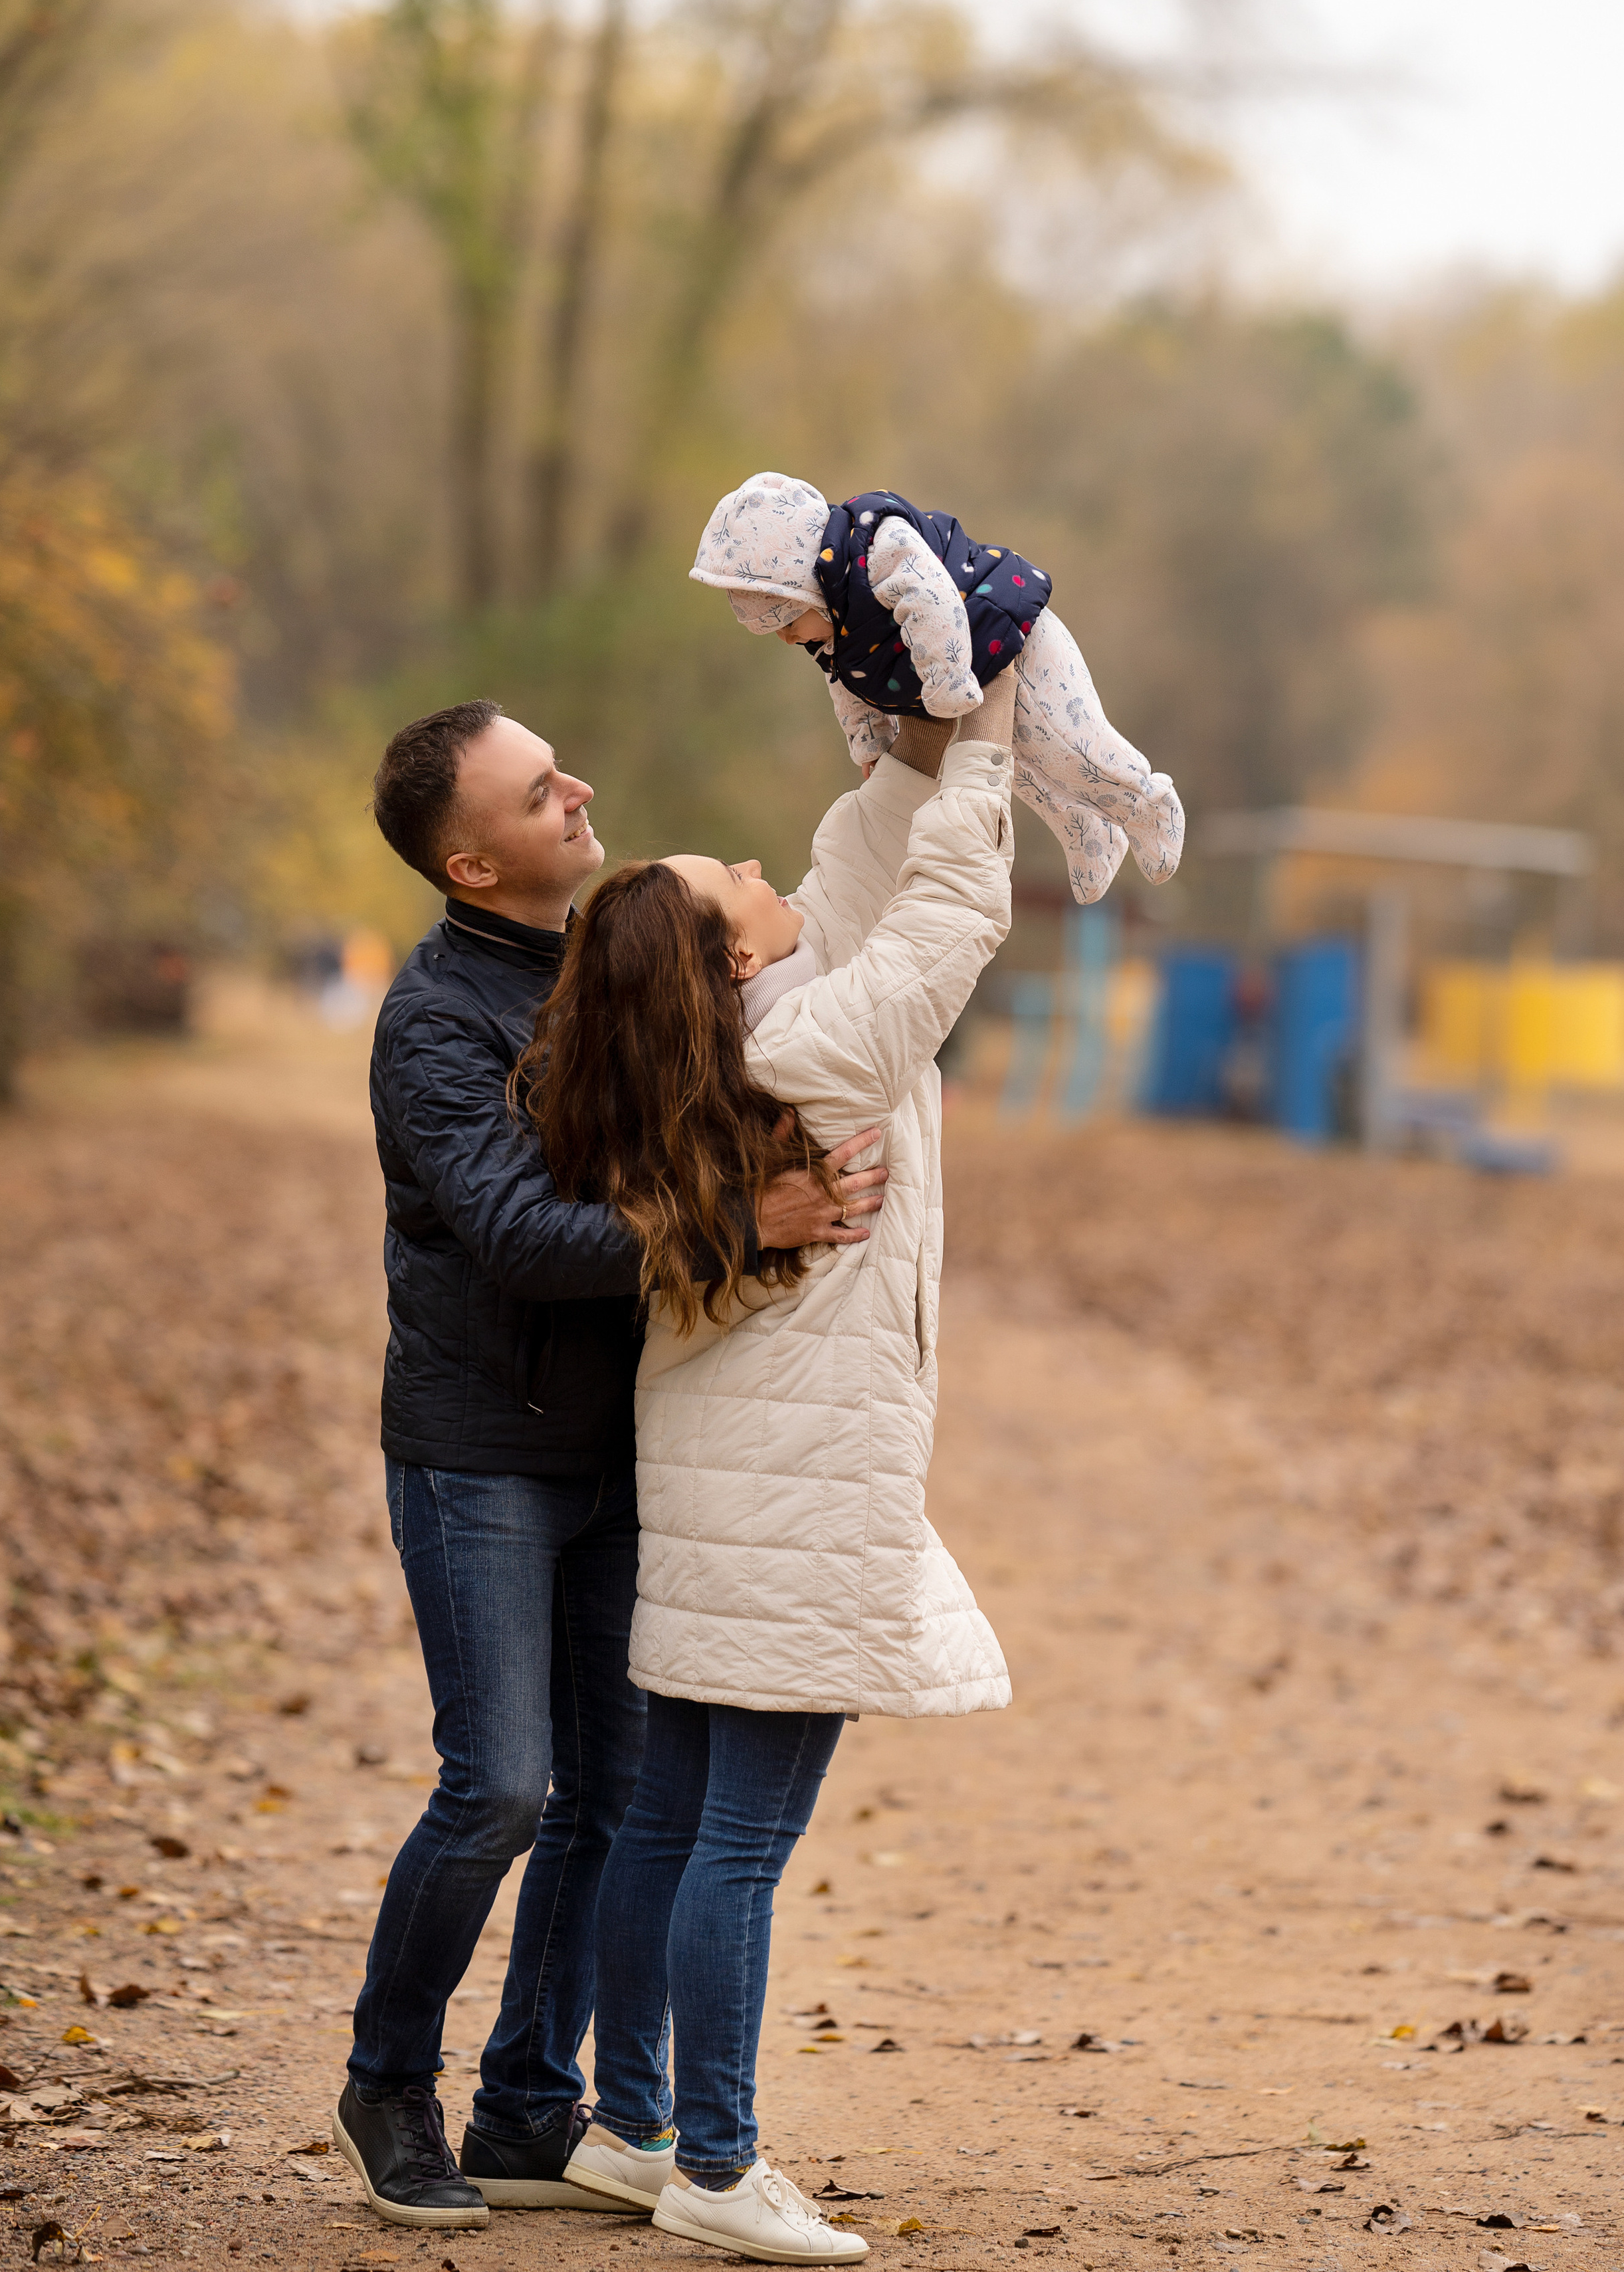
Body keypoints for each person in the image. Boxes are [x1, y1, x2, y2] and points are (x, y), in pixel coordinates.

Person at [332, 699, 888, 2234]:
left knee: (614, 1791)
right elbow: (516, 1237)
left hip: (634, 1443)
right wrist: (739, 1225)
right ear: (469, 855)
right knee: (502, 1782)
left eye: (561, 765)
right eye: (534, 788)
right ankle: (388, 2077)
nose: (574, 788)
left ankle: (529, 2105)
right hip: (483, 1453)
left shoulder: (614, 969)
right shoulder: (436, 1017)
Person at [513, 672, 1019, 2263]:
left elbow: (864, 867)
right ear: (728, 956)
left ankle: (629, 2121)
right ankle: (720, 2162)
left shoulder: (716, 1053)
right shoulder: (816, 1049)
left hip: (724, 1490)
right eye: (726, 879)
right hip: (799, 1500)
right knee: (737, 1837)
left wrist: (905, 732)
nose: (753, 865)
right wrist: (986, 741)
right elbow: (948, 914)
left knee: (668, 1820)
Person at [688, 467, 1185, 902]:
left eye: (789, 621)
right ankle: (1092, 836)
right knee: (1027, 773)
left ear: (806, 587)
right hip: (978, 677)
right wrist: (870, 742)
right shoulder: (833, 630)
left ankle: (1149, 804)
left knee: (1069, 748)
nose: (786, 638)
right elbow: (846, 687)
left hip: (1015, 637)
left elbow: (934, 600)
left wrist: (945, 683)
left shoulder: (879, 549)